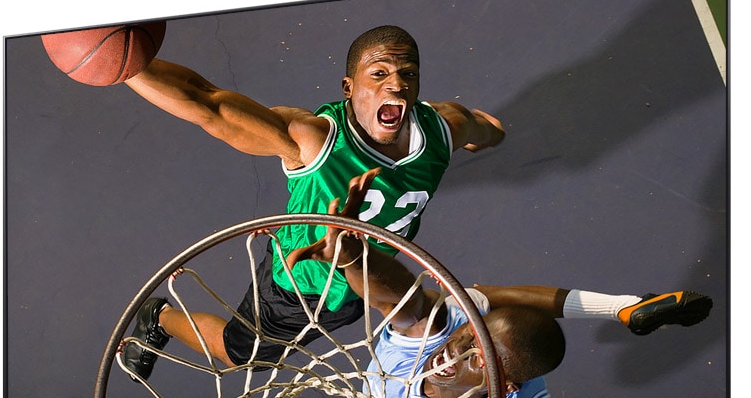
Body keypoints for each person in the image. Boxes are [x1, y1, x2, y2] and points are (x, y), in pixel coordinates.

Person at [120, 26, 712, 382]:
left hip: (376, 276)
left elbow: (484, 127)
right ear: (349, 88)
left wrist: (486, 132)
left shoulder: (439, 129)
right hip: (299, 284)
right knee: (246, 355)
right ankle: (159, 318)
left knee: (457, 309)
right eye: (378, 74)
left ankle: (623, 307)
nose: (396, 85)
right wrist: (126, 63)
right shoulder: (311, 140)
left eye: (407, 74)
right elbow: (208, 106)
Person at [285, 169, 712, 397]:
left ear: (502, 387)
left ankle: (621, 306)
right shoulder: (433, 344)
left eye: (475, 357)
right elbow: (400, 304)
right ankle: (623, 306)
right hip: (438, 342)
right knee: (441, 314)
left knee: (473, 306)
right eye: (468, 340)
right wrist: (352, 253)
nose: (452, 354)